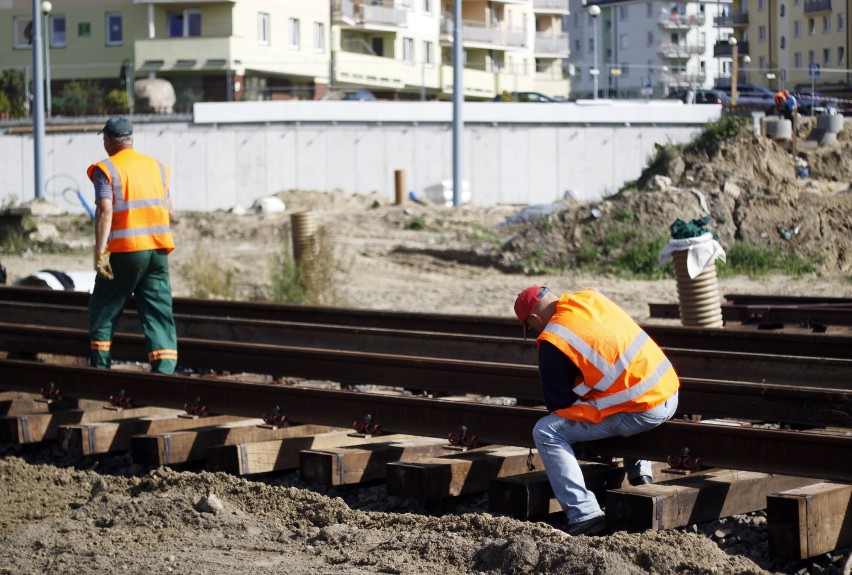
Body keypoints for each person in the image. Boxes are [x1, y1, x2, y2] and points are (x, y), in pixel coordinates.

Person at [513, 286, 680, 536]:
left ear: (535, 318)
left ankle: (584, 515)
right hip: (669, 391)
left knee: (547, 431)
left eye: (532, 326)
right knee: (616, 392)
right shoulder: (591, 298)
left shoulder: (553, 338)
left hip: (644, 411)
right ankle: (640, 475)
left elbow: (558, 404)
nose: (537, 330)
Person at [86, 116, 178, 374]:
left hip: (126, 251)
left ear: (108, 140)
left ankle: (100, 366)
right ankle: (165, 369)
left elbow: (105, 209)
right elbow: (169, 209)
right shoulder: (157, 167)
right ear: (130, 140)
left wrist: (101, 253)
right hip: (158, 250)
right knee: (158, 310)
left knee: (103, 307)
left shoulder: (106, 169)